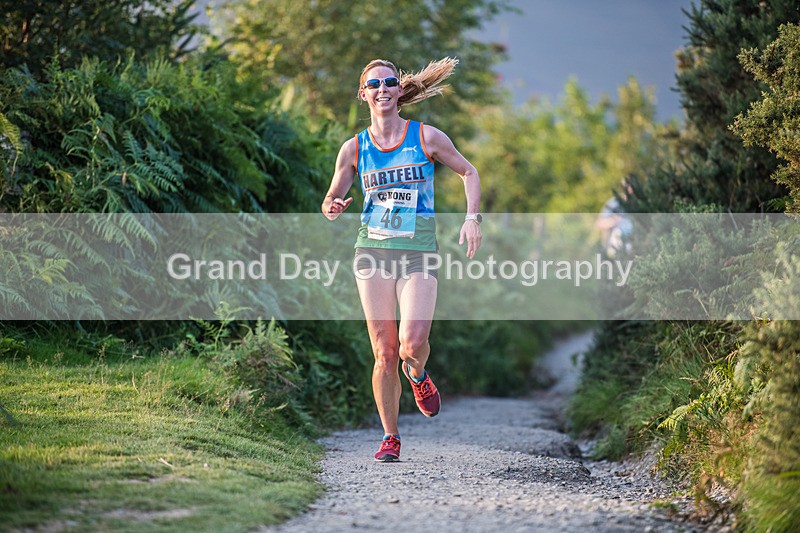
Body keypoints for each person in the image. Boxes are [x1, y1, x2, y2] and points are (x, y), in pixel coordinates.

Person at [321, 57, 482, 462]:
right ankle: (390, 436)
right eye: (373, 84)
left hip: (418, 253)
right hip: (371, 252)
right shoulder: (353, 148)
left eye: (389, 82)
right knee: (384, 351)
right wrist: (333, 206)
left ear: (398, 90)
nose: (382, 89)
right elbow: (329, 198)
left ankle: (419, 374)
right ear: (364, 94)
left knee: (411, 344)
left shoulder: (426, 137)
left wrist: (472, 219)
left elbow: (469, 172)